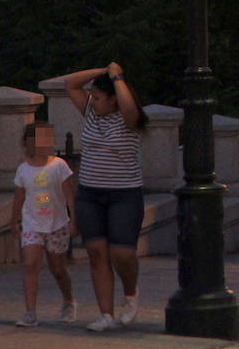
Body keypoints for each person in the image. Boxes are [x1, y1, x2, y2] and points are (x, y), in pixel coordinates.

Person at [64, 62, 148, 332]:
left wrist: (118, 77)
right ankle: (106, 314)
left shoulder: (128, 119)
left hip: (124, 195)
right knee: (96, 253)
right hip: (90, 194)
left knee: (122, 254)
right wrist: (102, 71)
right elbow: (71, 83)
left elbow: (130, 107)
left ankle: (131, 295)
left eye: (99, 97)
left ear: (114, 100)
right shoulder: (90, 113)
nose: (93, 100)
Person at [10, 122, 78, 327]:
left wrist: (74, 219)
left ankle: (68, 301)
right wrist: (14, 221)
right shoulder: (23, 169)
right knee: (31, 264)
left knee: (57, 268)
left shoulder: (59, 165)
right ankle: (30, 312)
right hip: (32, 224)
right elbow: (19, 197)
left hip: (56, 224)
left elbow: (68, 195)